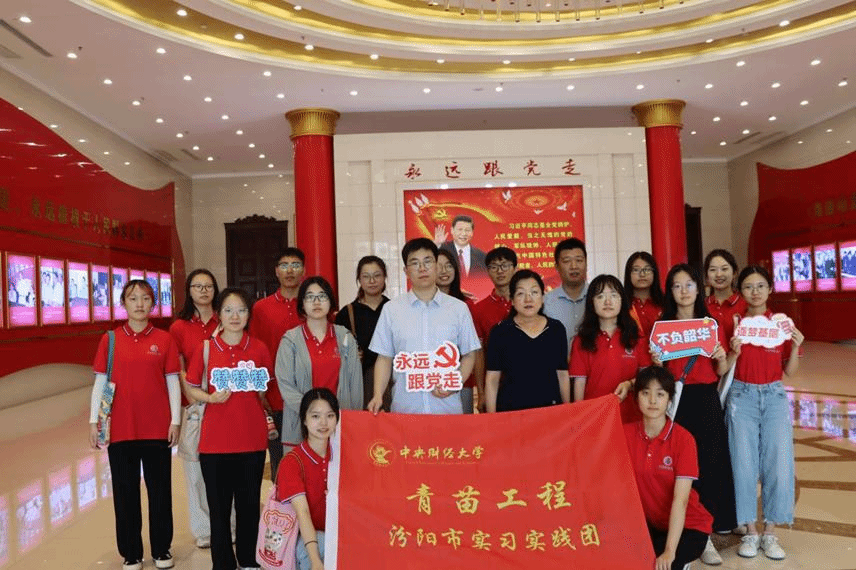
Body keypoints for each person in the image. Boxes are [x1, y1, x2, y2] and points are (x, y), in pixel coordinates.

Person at [88, 279, 180, 570]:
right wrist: (93, 421)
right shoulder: (110, 340)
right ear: (123, 303)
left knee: (160, 491)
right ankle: (131, 553)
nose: (139, 304)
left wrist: (175, 420)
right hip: (121, 428)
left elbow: (172, 381)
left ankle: (162, 549)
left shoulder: (164, 339)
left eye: (145, 298)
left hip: (157, 427)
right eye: (132, 298)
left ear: (153, 303)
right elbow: (100, 382)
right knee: (125, 493)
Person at [654, 264, 737, 565]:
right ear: (670, 291)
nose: (684, 291)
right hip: (676, 402)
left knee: (710, 464)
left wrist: (722, 357)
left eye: (689, 284)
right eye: (677, 286)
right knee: (682, 469)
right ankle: (690, 531)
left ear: (698, 289)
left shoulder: (710, 323)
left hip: (705, 399)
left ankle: (707, 533)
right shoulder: (662, 326)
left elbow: (722, 369)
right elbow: (659, 373)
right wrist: (656, 362)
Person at [186, 288, 272, 570]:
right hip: (214, 444)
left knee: (249, 506)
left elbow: (264, 390)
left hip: (252, 441)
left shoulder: (259, 348)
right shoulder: (206, 349)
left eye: (241, 310)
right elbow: (191, 386)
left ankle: (249, 559)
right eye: (228, 310)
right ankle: (222, 563)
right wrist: (210, 398)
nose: (235, 316)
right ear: (219, 315)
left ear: (249, 315)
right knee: (219, 509)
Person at [728, 266, 804, 561]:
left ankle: (771, 532)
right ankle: (750, 530)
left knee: (779, 462)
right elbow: (723, 367)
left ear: (770, 289)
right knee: (743, 463)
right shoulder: (735, 322)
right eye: (748, 287)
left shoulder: (782, 324)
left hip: (774, 396)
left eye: (761, 286)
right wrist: (733, 351)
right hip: (741, 397)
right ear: (740, 291)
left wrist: (796, 346)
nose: (755, 292)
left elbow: (790, 371)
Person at [367, 238, 481, 415]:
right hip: (406, 409)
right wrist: (377, 395)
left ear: (436, 266)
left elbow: (469, 354)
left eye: (428, 261)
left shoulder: (458, 308)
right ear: (406, 271)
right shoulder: (391, 309)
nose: (422, 268)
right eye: (415, 263)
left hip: (447, 409)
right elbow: (384, 357)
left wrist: (454, 383)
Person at [624, 366, 713, 570]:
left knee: (659, 565)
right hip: (652, 524)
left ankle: (681, 562)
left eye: (660, 394)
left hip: (689, 526)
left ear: (670, 400)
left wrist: (670, 551)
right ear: (636, 398)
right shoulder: (626, 434)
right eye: (645, 393)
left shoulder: (683, 440)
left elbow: (680, 501)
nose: (652, 401)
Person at [168, 269, 223, 549]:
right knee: (195, 469)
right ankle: (203, 530)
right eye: (197, 286)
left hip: (224, 402)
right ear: (188, 291)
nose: (203, 291)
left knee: (224, 469)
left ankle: (229, 525)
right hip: (194, 405)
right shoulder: (179, 327)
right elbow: (177, 368)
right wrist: (192, 396)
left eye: (208, 286)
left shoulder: (225, 320)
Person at [277, 276, 363, 454]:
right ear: (302, 304)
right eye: (310, 297)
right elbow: (286, 385)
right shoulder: (290, 340)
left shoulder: (345, 337)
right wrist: (313, 414)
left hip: (339, 424)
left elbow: (356, 386)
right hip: (300, 425)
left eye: (322, 296)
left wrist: (351, 420)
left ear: (330, 301)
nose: (316, 302)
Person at [249, 247, 305, 480]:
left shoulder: (311, 303)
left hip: (309, 394)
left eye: (295, 265)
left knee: (311, 459)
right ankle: (281, 502)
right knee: (280, 462)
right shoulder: (261, 308)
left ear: (303, 270)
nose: (290, 270)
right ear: (276, 271)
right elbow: (254, 352)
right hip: (275, 395)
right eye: (284, 265)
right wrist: (260, 391)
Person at [484, 269, 570, 412]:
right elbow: (492, 379)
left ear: (543, 297)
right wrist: (491, 418)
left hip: (549, 411)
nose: (528, 299)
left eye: (534, 292)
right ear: (512, 300)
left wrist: (567, 411)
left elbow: (562, 374)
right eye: (521, 293)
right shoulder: (500, 332)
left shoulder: (556, 329)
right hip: (511, 411)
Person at [569, 274, 650, 423]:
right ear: (592, 302)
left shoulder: (636, 337)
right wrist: (579, 418)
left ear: (622, 300)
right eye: (600, 296)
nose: (608, 302)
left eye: (614, 295)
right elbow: (579, 384)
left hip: (631, 419)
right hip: (595, 419)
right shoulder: (581, 341)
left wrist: (629, 384)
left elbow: (646, 377)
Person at [276, 388, 339, 570]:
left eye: (330, 415)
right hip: (301, 539)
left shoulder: (341, 456)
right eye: (315, 416)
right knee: (327, 545)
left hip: (335, 533)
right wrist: (315, 561)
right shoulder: (292, 462)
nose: (323, 423)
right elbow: (302, 513)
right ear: (304, 419)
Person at [334, 256, 391, 409]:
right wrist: (350, 354)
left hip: (392, 382)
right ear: (359, 279)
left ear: (385, 277)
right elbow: (336, 350)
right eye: (366, 276)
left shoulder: (394, 309)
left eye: (377, 275)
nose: (372, 281)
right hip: (360, 383)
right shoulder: (347, 314)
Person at [472, 247, 518, 412]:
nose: (500, 271)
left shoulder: (527, 304)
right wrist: (481, 392)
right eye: (493, 267)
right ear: (488, 271)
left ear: (515, 268)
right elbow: (479, 353)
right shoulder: (479, 309)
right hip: (495, 385)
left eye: (505, 265)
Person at [436, 249, 477, 413]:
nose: (444, 271)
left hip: (462, 379)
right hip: (431, 378)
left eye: (448, 266)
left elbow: (473, 349)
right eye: (438, 266)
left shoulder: (466, 305)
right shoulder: (423, 305)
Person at [543, 237, 588, 349]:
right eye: (567, 261)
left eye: (579, 260)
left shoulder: (598, 297)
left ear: (586, 263)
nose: (574, 266)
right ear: (557, 267)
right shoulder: (546, 303)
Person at [704, 249, 746, 345]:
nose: (719, 274)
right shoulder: (701, 306)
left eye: (724, 269)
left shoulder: (746, 305)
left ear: (734, 273)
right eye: (713, 270)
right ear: (707, 276)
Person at [623, 251, 664, 341]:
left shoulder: (665, 304)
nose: (642, 274)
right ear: (628, 274)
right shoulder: (621, 305)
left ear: (654, 273)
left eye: (647, 269)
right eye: (636, 270)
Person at [436, 214, 488, 279]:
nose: (463, 234)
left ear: (472, 232)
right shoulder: (442, 250)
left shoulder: (481, 256)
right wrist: (437, 245)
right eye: (460, 229)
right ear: (452, 230)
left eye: (467, 230)